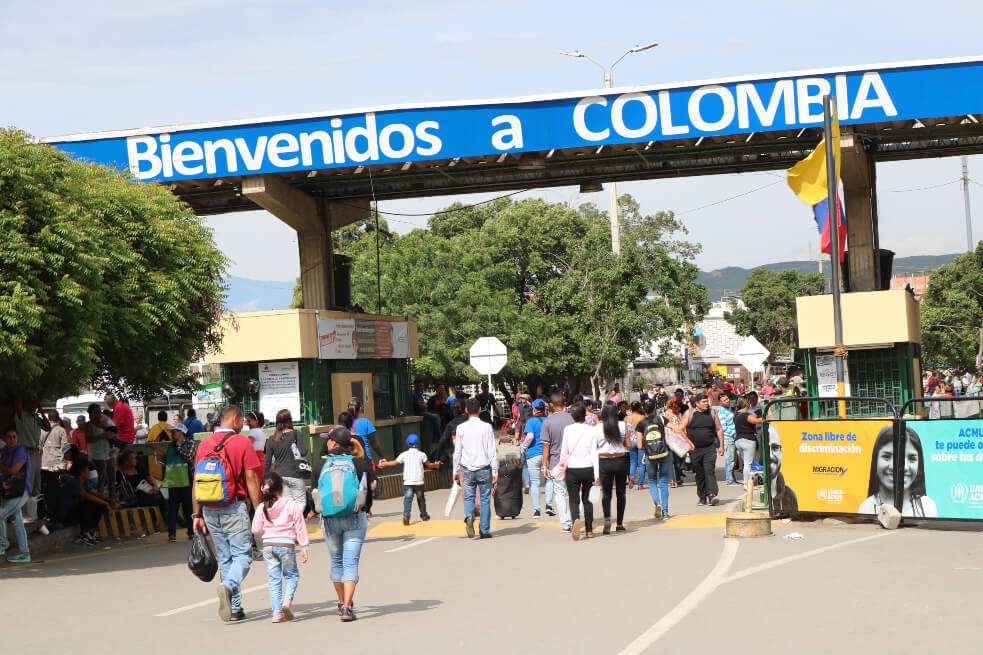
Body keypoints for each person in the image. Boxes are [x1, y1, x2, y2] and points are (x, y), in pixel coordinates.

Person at [192, 405, 262, 623]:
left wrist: (196, 515)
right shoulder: (242, 442)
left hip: (209, 509)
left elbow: (197, 482)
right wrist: (259, 510)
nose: (244, 425)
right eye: (243, 421)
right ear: (235, 419)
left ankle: (234, 609)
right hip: (233, 506)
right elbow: (251, 479)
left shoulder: (204, 444)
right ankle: (228, 586)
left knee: (225, 559)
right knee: (243, 555)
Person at [312, 426, 372, 622]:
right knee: (350, 562)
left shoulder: (320, 466)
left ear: (333, 443)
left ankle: (340, 601)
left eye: (327, 439)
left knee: (336, 561)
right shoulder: (359, 463)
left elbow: (313, 493)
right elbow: (367, 494)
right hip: (355, 518)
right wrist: (366, 508)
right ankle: (347, 607)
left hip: (329, 521)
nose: (325, 442)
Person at [252, 472, 310, 623]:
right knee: (291, 575)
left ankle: (276, 613)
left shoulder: (261, 507)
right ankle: (286, 603)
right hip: (286, 545)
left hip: (268, 546)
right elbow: (300, 527)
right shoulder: (291, 505)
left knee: (274, 579)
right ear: (281, 488)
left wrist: (267, 531)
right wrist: (304, 547)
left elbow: (255, 529)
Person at [858, 426, 938, 518]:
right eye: (887, 457)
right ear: (875, 459)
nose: (902, 467)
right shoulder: (866, 508)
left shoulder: (927, 506)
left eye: (912, 458)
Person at [452, 398, 498, 539]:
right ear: (479, 410)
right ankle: (484, 530)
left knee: (469, 498)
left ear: (466, 410)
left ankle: (469, 517)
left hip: (466, 469)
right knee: (484, 500)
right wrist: (495, 470)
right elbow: (491, 451)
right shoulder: (487, 427)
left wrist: (455, 471)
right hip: (484, 468)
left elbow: (457, 452)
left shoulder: (461, 428)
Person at [377, 433, 441, 525]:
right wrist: (436, 465)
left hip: (408, 482)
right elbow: (429, 465)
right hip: (419, 482)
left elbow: (394, 463)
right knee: (421, 499)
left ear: (407, 443)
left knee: (408, 499)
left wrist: (383, 464)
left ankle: (406, 516)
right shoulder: (422, 454)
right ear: (418, 443)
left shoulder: (404, 454)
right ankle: (424, 515)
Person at [560, 401, 600, 541]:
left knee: (573, 499)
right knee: (588, 500)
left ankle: (575, 520)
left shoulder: (567, 430)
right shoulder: (591, 430)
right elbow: (594, 453)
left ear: (572, 416)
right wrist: (597, 474)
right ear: (585, 415)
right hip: (588, 468)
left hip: (572, 469)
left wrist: (561, 468)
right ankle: (589, 530)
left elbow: (564, 452)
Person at [681, 393, 724, 506]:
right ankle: (702, 497)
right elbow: (680, 429)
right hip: (695, 450)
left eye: (707, 401)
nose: (706, 404)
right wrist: (689, 442)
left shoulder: (712, 412)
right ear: (697, 403)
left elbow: (719, 429)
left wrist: (721, 446)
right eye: (703, 402)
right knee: (699, 473)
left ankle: (711, 494)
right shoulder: (690, 413)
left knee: (709, 471)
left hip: (709, 448)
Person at [60, 457, 114, 545]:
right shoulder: (74, 483)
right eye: (88, 470)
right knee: (88, 504)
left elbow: (96, 493)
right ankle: (84, 533)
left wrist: (109, 501)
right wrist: (105, 503)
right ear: (82, 472)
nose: (89, 472)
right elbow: (86, 495)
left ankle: (91, 531)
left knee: (100, 506)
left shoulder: (85, 482)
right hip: (67, 515)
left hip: (77, 512)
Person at [156, 423, 196, 542]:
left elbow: (189, 457)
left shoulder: (190, 444)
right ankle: (171, 534)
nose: (173, 434)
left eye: (176, 431)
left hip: (187, 481)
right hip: (172, 482)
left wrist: (179, 448)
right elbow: (166, 462)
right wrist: (160, 456)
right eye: (173, 432)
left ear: (182, 432)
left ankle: (191, 532)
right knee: (172, 509)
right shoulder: (170, 446)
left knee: (188, 508)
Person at [264, 409, 310, 508]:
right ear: (290, 420)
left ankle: (289, 522)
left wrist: (265, 479)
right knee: (300, 502)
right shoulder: (296, 434)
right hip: (296, 474)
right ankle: (295, 521)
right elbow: (303, 452)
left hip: (279, 476)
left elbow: (267, 463)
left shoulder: (271, 439)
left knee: (287, 504)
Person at [597, 402, 631, 533]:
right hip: (620, 460)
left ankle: (607, 519)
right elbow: (628, 445)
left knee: (606, 494)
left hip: (604, 461)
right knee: (621, 493)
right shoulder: (623, 425)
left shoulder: (598, 428)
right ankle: (620, 524)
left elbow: (594, 448)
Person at [540, 392, 573, 529]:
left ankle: (565, 523)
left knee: (559, 493)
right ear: (564, 403)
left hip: (556, 463)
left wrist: (544, 466)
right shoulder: (572, 418)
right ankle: (573, 517)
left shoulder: (548, 422)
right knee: (574, 491)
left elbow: (546, 447)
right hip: (573, 462)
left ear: (552, 405)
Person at [0, 428, 33, 563]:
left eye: (14, 436)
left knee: (0, 515)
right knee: (18, 521)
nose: (12, 439)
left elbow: (14, 470)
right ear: (5, 439)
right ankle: (24, 553)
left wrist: (0, 464)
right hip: (11, 491)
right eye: (9, 437)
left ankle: (2, 545)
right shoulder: (5, 451)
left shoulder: (20, 451)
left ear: (17, 438)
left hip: (21, 490)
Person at [520, 399, 546, 518]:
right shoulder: (548, 420)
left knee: (535, 483)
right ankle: (549, 505)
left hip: (533, 455)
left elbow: (529, 436)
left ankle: (537, 510)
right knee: (549, 480)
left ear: (535, 409)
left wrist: (523, 447)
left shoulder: (531, 421)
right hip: (547, 454)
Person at [766, 426, 798, 518]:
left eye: (775, 448)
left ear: (781, 452)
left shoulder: (790, 495)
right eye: (767, 448)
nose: (771, 456)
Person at [734, 397, 763, 485]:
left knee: (746, 463)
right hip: (748, 439)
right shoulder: (745, 415)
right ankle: (747, 483)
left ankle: (747, 481)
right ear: (746, 403)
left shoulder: (736, 415)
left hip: (738, 440)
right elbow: (757, 421)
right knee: (748, 464)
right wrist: (766, 417)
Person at [349, 399, 382, 466]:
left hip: (349, 460)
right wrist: (382, 457)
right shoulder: (366, 422)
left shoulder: (345, 423)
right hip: (365, 458)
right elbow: (374, 444)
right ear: (360, 408)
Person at [715, 392, 738, 485]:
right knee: (730, 459)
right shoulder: (722, 411)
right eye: (724, 400)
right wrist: (732, 433)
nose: (726, 401)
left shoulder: (728, 409)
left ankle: (731, 478)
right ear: (720, 402)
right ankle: (729, 480)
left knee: (732, 459)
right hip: (728, 437)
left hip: (732, 437)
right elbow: (723, 427)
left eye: (727, 399)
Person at [246, 410, 267, 480]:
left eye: (249, 421)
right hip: (261, 460)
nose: (247, 423)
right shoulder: (262, 432)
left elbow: (247, 445)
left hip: (254, 460)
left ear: (256, 421)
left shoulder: (253, 431)